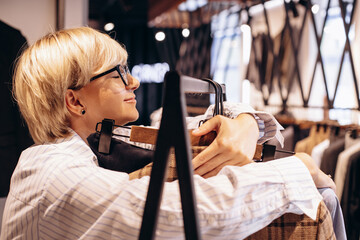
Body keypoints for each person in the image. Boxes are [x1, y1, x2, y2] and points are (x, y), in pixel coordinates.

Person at [1, 27, 334, 239]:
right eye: (117, 73)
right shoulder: (51, 171)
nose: (133, 81)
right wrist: (294, 170)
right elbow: (172, 215)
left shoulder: (104, 140)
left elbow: (184, 128)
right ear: (74, 100)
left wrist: (245, 122)